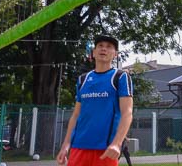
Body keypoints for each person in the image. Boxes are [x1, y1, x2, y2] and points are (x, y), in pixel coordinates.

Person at [56, 35, 133, 166]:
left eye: (109, 47)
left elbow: (127, 113)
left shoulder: (120, 77)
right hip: (78, 147)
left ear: (115, 54)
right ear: (93, 52)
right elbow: (76, 115)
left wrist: (116, 143)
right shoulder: (82, 79)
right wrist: (66, 144)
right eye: (100, 46)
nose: (104, 49)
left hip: (105, 149)